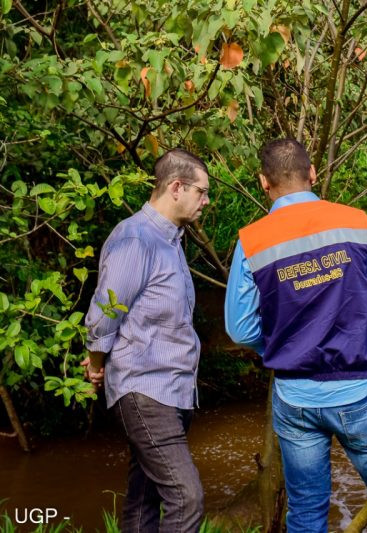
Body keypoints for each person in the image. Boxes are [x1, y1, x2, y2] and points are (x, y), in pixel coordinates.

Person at [225, 139, 367, 533]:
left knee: (306, 513)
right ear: (313, 173)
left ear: (263, 182)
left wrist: (281, 346)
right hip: (358, 389)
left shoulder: (252, 239)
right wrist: (353, 325)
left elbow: (239, 327)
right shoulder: (354, 222)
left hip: (295, 396)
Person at [83, 148, 210, 533]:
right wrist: (96, 364)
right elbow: (104, 313)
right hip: (145, 390)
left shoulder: (171, 239)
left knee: (144, 499)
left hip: (173, 390)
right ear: (176, 187)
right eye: (201, 192)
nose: (206, 200)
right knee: (187, 498)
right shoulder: (136, 238)